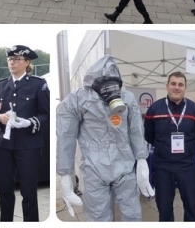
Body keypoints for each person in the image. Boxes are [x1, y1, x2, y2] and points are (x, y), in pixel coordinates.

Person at [57, 54, 153, 221]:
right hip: (94, 168)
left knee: (132, 214)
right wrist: (65, 176)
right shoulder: (77, 100)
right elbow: (66, 136)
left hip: (124, 165)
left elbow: (136, 131)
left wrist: (142, 160)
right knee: (98, 217)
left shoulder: (127, 98)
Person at [0, 45, 49, 221]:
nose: (12, 63)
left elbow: (46, 113)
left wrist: (30, 122)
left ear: (27, 62)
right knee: (5, 191)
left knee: (29, 192)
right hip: (3, 145)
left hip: (28, 145)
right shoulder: (1, 86)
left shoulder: (39, 85)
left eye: (17, 59)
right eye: (10, 59)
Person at [144, 71, 195, 221]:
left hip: (187, 165)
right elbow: (149, 136)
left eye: (180, 84)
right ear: (167, 86)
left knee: (192, 204)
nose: (176, 87)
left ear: (185, 88)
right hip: (163, 165)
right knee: (164, 206)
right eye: (173, 84)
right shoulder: (154, 109)